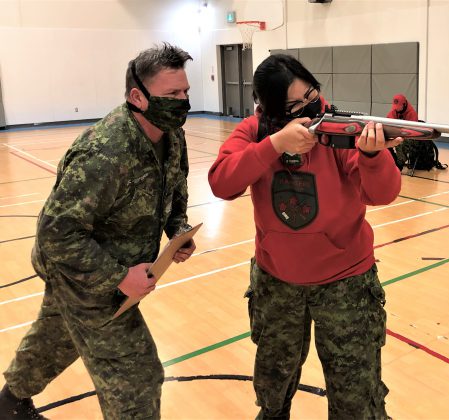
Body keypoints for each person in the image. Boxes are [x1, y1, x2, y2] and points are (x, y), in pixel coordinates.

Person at [0, 43, 196, 420]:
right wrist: (119, 277)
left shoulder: (172, 135)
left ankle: (7, 407)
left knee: (56, 339)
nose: (183, 101)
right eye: (172, 94)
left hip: (112, 266)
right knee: (136, 381)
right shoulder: (106, 152)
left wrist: (178, 229)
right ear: (138, 97)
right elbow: (56, 234)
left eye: (185, 91)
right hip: (81, 273)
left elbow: (176, 185)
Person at [208, 54, 402, 419]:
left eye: (311, 95)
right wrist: (274, 144)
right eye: (293, 106)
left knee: (355, 397)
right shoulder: (254, 130)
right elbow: (222, 182)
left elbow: (382, 194)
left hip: (346, 283)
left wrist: (372, 156)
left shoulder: (339, 130)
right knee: (273, 390)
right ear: (269, 110)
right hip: (277, 282)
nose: (309, 108)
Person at [385, 93, 418, 171]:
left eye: (398, 107)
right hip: (396, 134)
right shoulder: (394, 111)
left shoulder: (412, 114)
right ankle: (392, 160)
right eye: (395, 107)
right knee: (383, 140)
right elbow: (387, 123)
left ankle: (399, 165)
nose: (396, 109)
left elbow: (412, 132)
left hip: (409, 137)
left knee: (400, 142)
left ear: (404, 104)